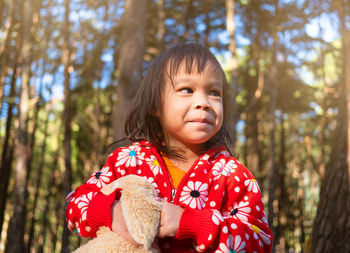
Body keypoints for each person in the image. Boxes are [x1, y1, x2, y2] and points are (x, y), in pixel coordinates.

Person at [65, 43, 272, 252]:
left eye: (214, 92)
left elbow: (259, 240)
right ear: (155, 105)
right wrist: (112, 213)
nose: (204, 102)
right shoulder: (128, 160)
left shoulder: (233, 175)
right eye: (186, 90)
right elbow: (75, 204)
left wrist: (191, 224)